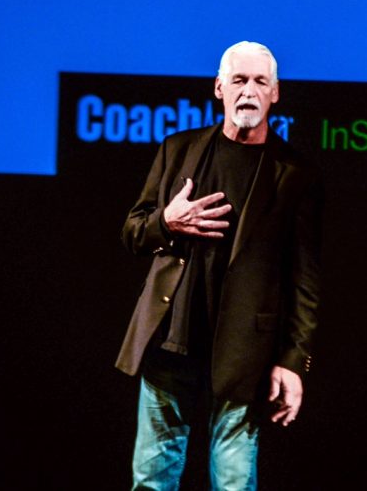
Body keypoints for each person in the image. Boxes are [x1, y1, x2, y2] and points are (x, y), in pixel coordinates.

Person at [115, 41, 323, 490]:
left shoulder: (294, 174)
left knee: (234, 483)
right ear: (218, 88)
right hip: (170, 345)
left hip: (243, 355)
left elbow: (304, 280)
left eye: (259, 82)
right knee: (152, 480)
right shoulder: (178, 149)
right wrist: (167, 221)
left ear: (275, 93)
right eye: (239, 80)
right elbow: (133, 232)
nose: (248, 91)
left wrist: (292, 359)